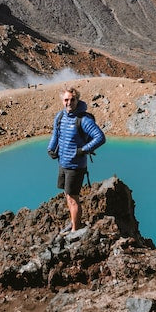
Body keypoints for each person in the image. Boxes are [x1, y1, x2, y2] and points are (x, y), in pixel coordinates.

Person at [47, 86, 106, 234]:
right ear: (62, 101)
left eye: (72, 100)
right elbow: (56, 135)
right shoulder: (60, 116)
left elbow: (100, 137)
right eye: (66, 100)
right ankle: (74, 222)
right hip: (63, 163)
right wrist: (51, 148)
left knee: (73, 198)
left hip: (76, 166)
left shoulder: (84, 119)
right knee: (68, 195)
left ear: (77, 100)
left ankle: (75, 230)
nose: (69, 102)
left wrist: (82, 150)